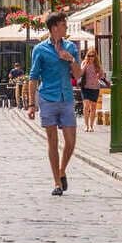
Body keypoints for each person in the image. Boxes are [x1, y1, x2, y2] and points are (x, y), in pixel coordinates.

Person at [27, 11, 81, 196]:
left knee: (71, 142)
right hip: (48, 98)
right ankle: (57, 183)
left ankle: (62, 170)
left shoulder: (71, 47)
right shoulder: (40, 50)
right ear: (54, 28)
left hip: (66, 98)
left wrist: (71, 59)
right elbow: (33, 78)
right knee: (52, 141)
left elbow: (78, 75)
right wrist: (31, 104)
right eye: (64, 25)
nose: (66, 27)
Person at [80, 47, 105, 132]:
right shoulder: (84, 63)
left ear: (95, 57)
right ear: (87, 56)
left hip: (95, 88)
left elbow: (102, 75)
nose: (91, 57)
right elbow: (80, 73)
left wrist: (100, 74)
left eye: (92, 56)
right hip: (85, 87)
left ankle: (91, 126)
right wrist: (86, 65)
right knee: (86, 105)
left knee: (93, 107)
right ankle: (86, 125)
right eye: (89, 55)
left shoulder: (97, 65)